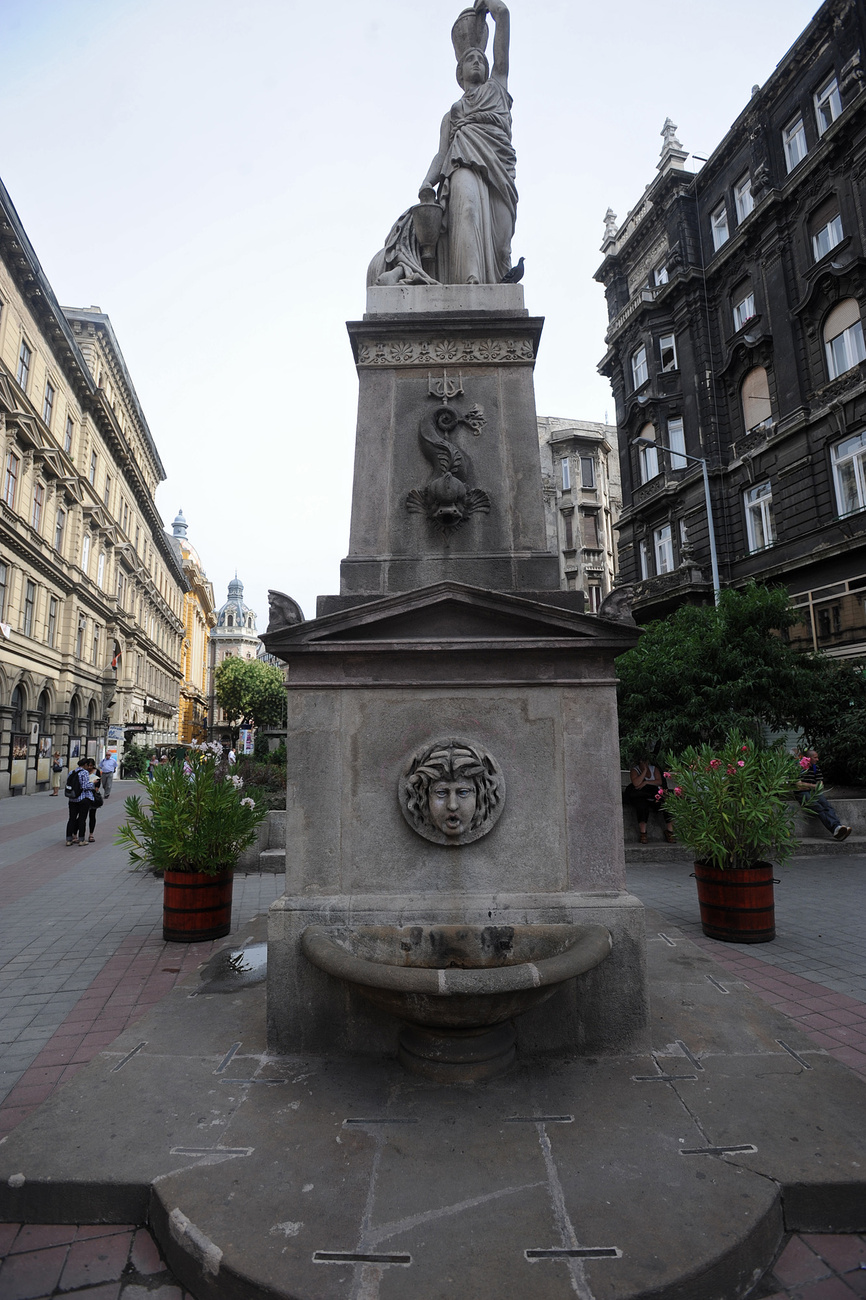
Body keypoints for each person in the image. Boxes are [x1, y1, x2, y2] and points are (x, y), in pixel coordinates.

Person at [368, 0, 518, 287]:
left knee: (502, 245)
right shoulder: (453, 113)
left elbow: (504, 17)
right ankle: (470, 281)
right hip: (462, 164)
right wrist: (427, 183)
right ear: (459, 72)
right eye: (470, 59)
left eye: (481, 59)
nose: (477, 61)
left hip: (500, 171)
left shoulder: (498, 86)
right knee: (467, 212)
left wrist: (488, 4)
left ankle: (497, 287)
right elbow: (441, 155)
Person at [794, 749, 851, 841]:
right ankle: (835, 829)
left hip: (814, 792)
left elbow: (820, 786)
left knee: (826, 805)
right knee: (817, 807)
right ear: (808, 758)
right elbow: (799, 786)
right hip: (801, 793)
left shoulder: (817, 769)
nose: (817, 759)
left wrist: (807, 786)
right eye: (815, 757)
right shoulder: (798, 768)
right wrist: (813, 786)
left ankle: (838, 827)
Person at [625, 757, 676, 845]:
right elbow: (636, 783)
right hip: (642, 795)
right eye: (642, 761)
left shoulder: (654, 769)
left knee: (667, 805)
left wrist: (646, 782)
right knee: (641, 806)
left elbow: (659, 781)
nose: (644, 763)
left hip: (654, 794)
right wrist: (644, 771)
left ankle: (670, 831)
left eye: (645, 761)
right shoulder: (635, 770)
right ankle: (643, 833)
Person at [65, 758, 95, 846]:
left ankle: (69, 839)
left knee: (71, 819)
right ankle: (82, 840)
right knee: (82, 819)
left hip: (72, 799)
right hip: (83, 799)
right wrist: (92, 782)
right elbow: (85, 786)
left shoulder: (72, 772)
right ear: (85, 765)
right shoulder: (84, 773)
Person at [85, 760, 103, 842]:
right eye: (88, 765)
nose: (89, 767)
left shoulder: (97, 771)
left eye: (91, 766)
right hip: (84, 796)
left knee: (92, 815)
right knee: (82, 816)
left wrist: (95, 790)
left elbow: (98, 783)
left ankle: (91, 834)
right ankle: (79, 834)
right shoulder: (84, 772)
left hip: (93, 795)